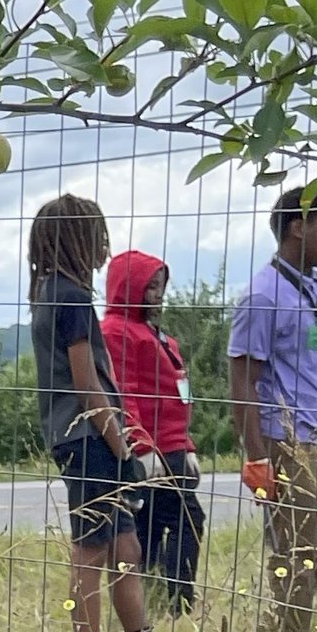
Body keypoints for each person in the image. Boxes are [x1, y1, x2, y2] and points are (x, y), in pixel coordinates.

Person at [29, 195, 155, 632]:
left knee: (125, 546)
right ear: (81, 239)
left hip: (74, 436)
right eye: (97, 234)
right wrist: (122, 447)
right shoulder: (73, 296)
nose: (104, 245)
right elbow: (87, 384)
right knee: (93, 547)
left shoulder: (46, 292)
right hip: (90, 438)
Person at [229, 179, 317, 632]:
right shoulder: (262, 295)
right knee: (297, 546)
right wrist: (257, 456)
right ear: (298, 228)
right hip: (286, 438)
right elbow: (243, 381)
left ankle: (281, 621)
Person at [100, 250, 204, 611]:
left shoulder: (157, 335)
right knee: (183, 519)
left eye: (160, 286)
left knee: (156, 522)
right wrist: (141, 447)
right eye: (150, 287)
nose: (157, 294)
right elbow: (122, 392)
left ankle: (159, 596)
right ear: (129, 287)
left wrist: (186, 445)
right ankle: (178, 600)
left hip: (171, 447)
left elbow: (177, 394)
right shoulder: (117, 332)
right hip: (152, 450)